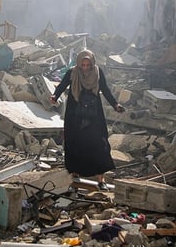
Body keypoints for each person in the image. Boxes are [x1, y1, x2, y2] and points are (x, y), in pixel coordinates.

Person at [49, 49, 125, 188]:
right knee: (75, 143)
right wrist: (55, 96)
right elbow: (62, 85)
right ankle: (75, 174)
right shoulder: (72, 72)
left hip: (93, 113)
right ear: (78, 64)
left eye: (87, 65)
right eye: (82, 65)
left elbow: (105, 89)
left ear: (92, 64)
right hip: (75, 114)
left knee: (98, 143)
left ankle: (100, 179)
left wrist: (115, 104)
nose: (85, 68)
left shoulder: (97, 72)